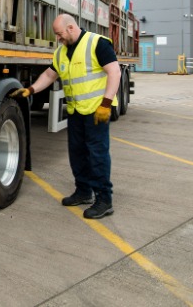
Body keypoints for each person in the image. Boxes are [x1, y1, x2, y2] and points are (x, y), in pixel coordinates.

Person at [13, 14, 121, 219]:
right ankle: (83, 191)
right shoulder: (62, 51)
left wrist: (106, 103)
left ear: (71, 28)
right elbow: (50, 74)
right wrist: (31, 90)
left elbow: (114, 72)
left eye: (59, 34)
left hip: (96, 111)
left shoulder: (96, 44)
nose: (58, 39)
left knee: (97, 155)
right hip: (76, 111)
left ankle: (104, 200)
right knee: (77, 153)